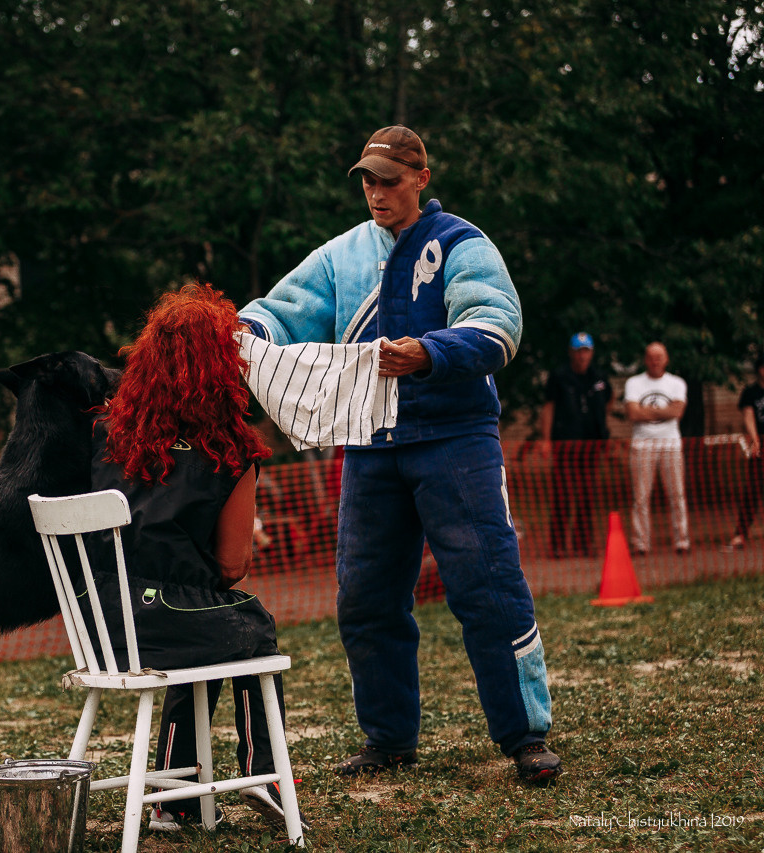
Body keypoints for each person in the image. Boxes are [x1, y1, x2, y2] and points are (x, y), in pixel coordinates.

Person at [238, 126, 560, 784]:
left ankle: (526, 735)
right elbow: (281, 311)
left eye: (389, 179)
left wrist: (430, 351)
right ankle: (388, 738)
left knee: (490, 589)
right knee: (365, 598)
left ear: (421, 178)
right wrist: (233, 332)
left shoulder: (463, 245)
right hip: (369, 445)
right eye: (368, 179)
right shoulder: (341, 255)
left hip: (455, 436)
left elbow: (498, 325)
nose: (376, 191)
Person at [91, 283, 308, 831]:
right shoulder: (231, 450)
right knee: (248, 621)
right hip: (165, 617)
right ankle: (263, 772)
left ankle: (176, 794)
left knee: (201, 630)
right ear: (220, 367)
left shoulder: (106, 434)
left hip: (98, 624)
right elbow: (234, 565)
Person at [537, 332, 612, 557]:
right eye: (578, 351)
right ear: (571, 352)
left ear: (591, 353)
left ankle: (584, 543)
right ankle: (558, 545)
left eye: (586, 351)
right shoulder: (559, 377)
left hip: (591, 446)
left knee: (587, 495)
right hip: (565, 445)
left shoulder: (599, 377)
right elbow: (548, 407)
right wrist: (546, 440)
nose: (582, 356)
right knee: (563, 494)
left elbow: (609, 398)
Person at [623, 341, 689, 555]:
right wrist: (665, 411)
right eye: (651, 357)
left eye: (659, 357)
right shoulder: (633, 383)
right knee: (641, 497)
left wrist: (647, 412)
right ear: (645, 360)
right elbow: (633, 413)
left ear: (666, 359)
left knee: (677, 494)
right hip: (642, 445)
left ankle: (682, 541)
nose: (655, 361)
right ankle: (641, 544)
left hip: (671, 444)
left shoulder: (677, 383)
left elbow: (678, 411)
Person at [727, 355, 764, 550]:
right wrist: (755, 439)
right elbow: (748, 415)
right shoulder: (751, 392)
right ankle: (740, 534)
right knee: (753, 491)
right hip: (760, 446)